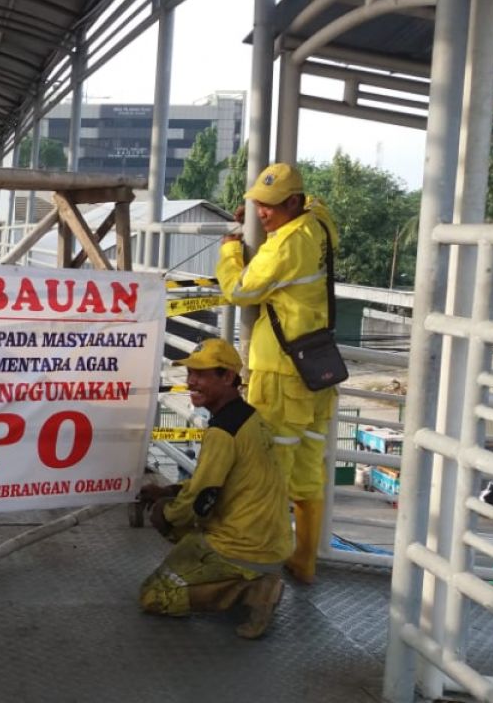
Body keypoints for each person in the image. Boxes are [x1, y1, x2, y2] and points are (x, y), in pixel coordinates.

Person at [215, 162, 338, 585]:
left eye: (268, 207)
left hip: (281, 373)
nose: (261, 214)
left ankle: (258, 568)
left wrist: (232, 249)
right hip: (316, 371)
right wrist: (255, 218)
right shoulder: (318, 222)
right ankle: (303, 561)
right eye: (256, 206)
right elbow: (316, 203)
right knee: (307, 474)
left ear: (291, 202)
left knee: (267, 471)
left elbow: (239, 290)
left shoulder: (285, 246)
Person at [138, 338, 292, 639]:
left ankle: (251, 591)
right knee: (179, 520)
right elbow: (213, 483)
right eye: (190, 373)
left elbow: (200, 503)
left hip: (243, 547)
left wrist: (164, 510)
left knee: (154, 596)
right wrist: (171, 489)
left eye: (202, 374)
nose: (192, 382)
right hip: (271, 542)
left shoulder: (222, 432)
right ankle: (247, 578)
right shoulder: (248, 418)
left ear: (228, 377)